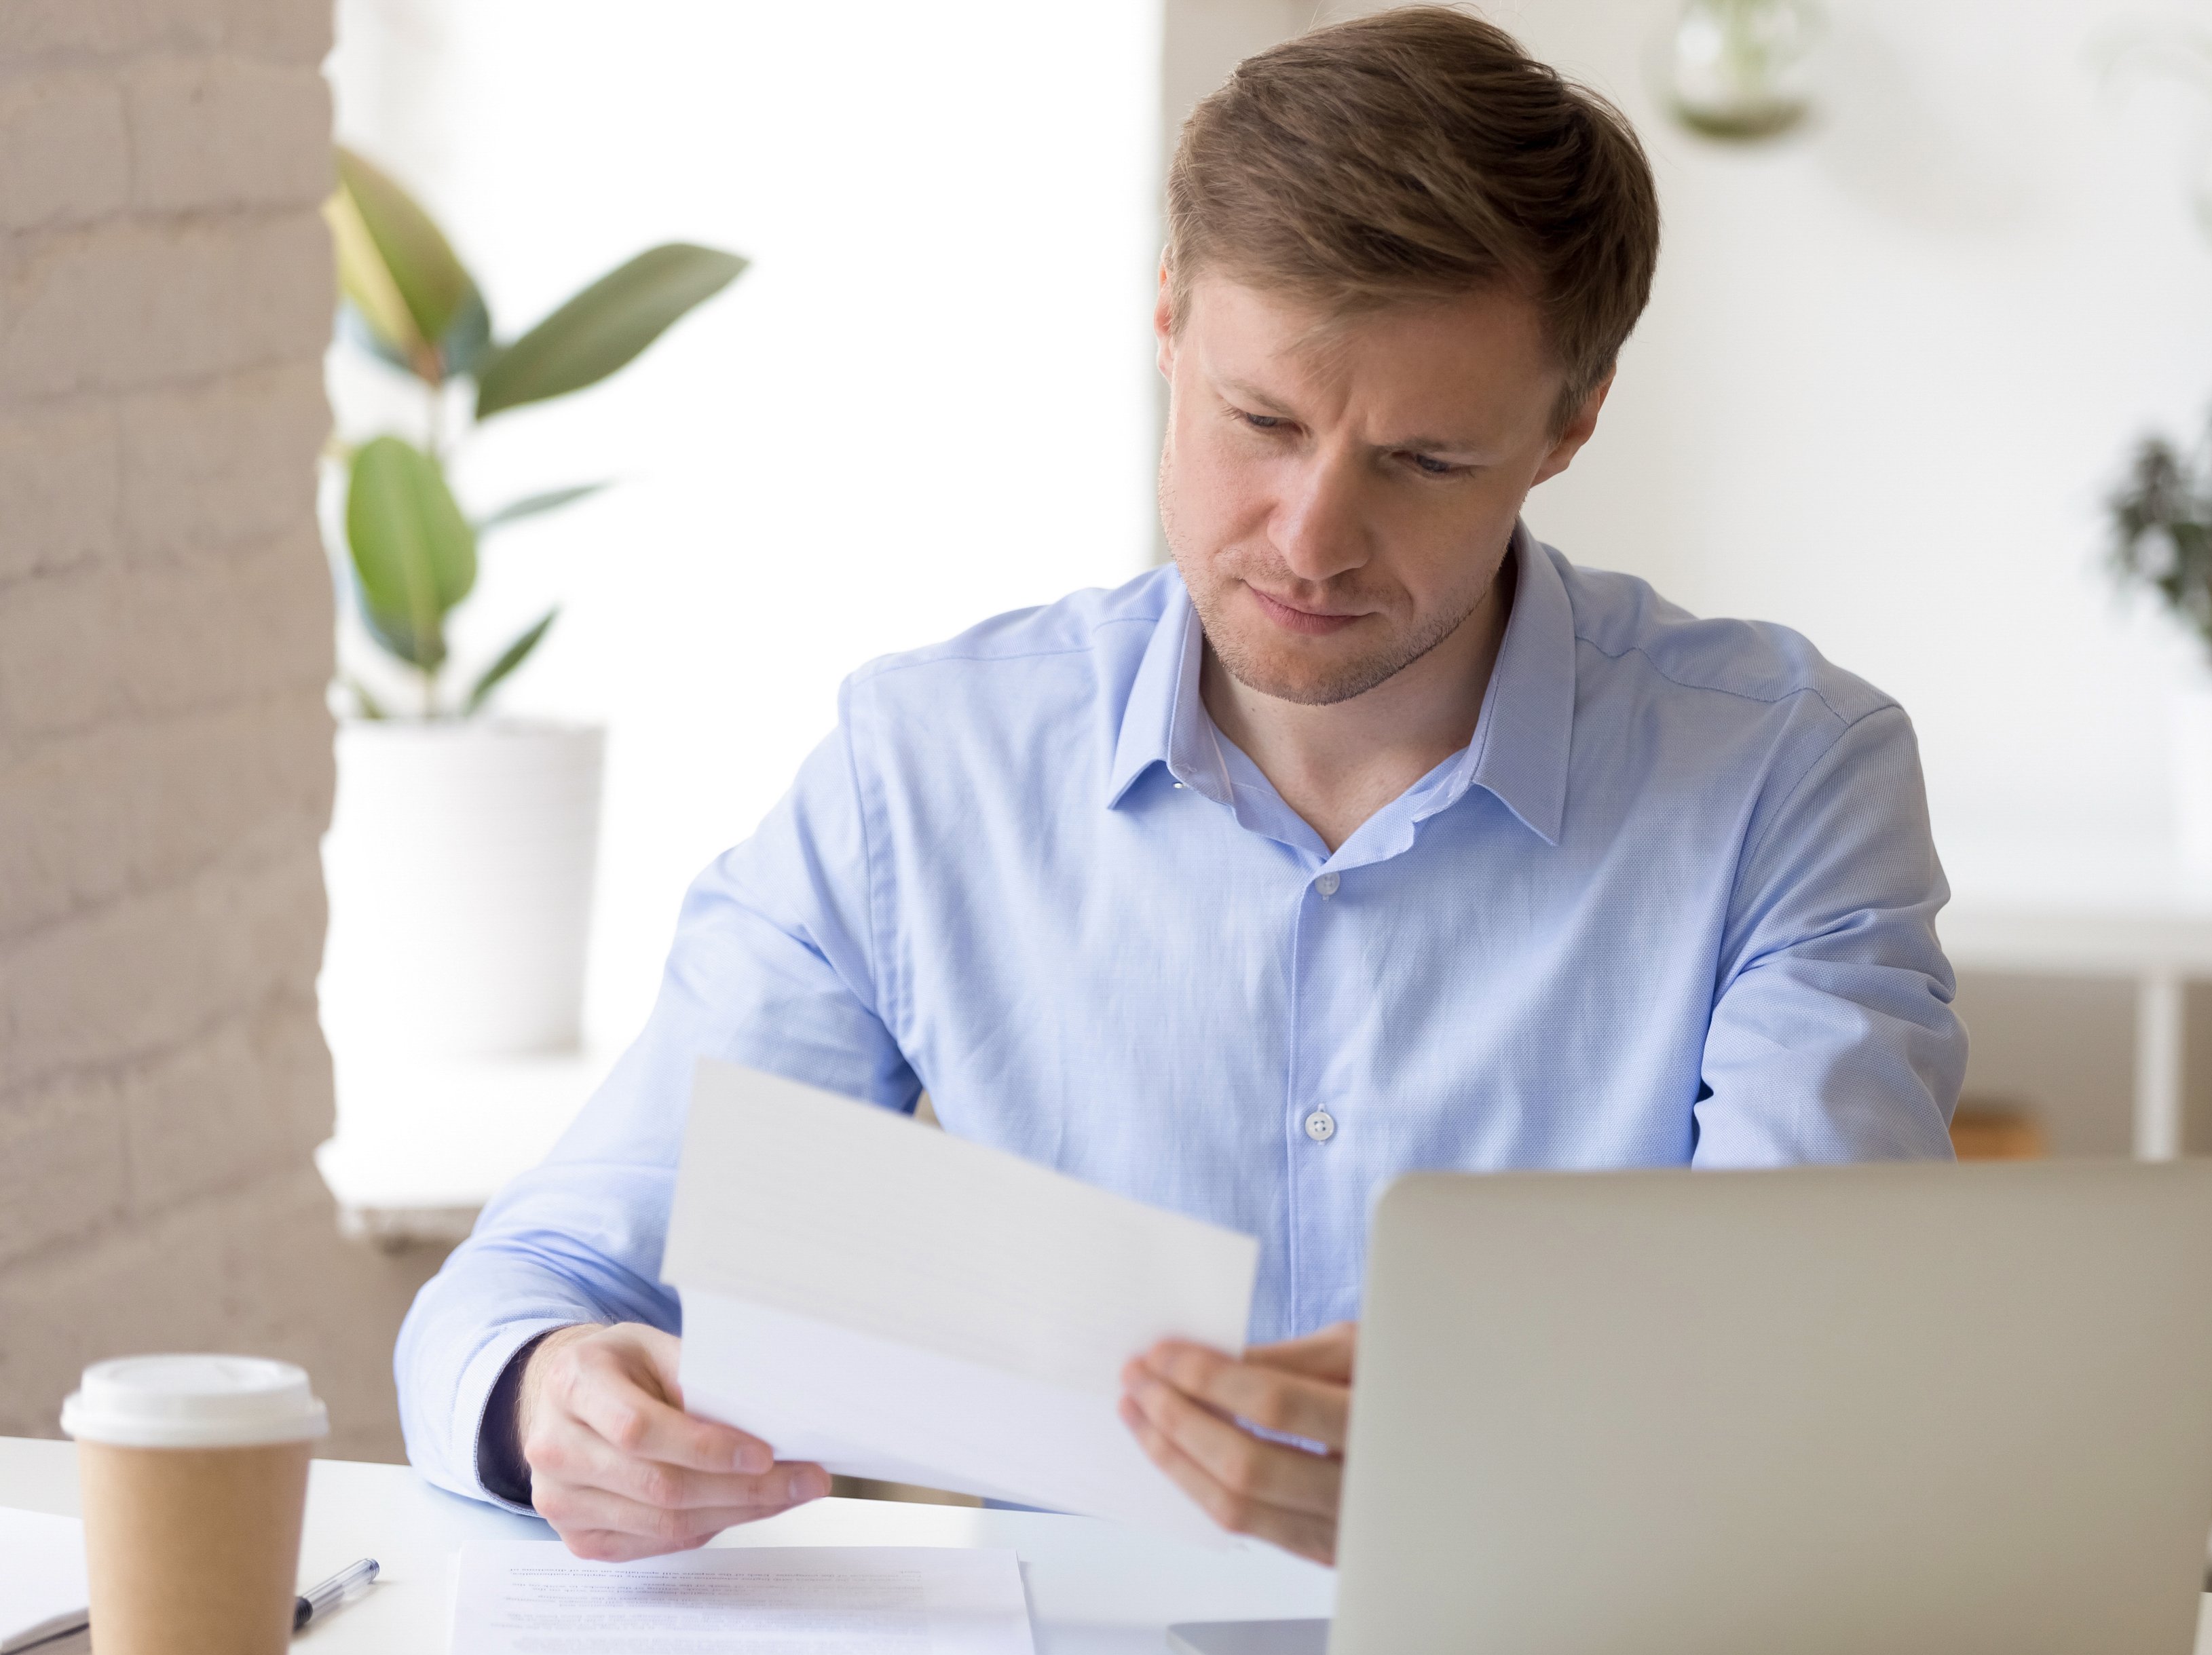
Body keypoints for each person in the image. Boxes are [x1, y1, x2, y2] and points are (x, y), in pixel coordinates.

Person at [396, 7, 1966, 1568]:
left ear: (1570, 423)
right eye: (1260, 421)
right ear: (1167, 322)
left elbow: (1817, 1373)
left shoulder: (1784, 780)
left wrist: (1502, 1473)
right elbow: (531, 1275)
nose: (1308, 537)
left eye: (1420, 461)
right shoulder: (929, 774)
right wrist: (549, 1399)